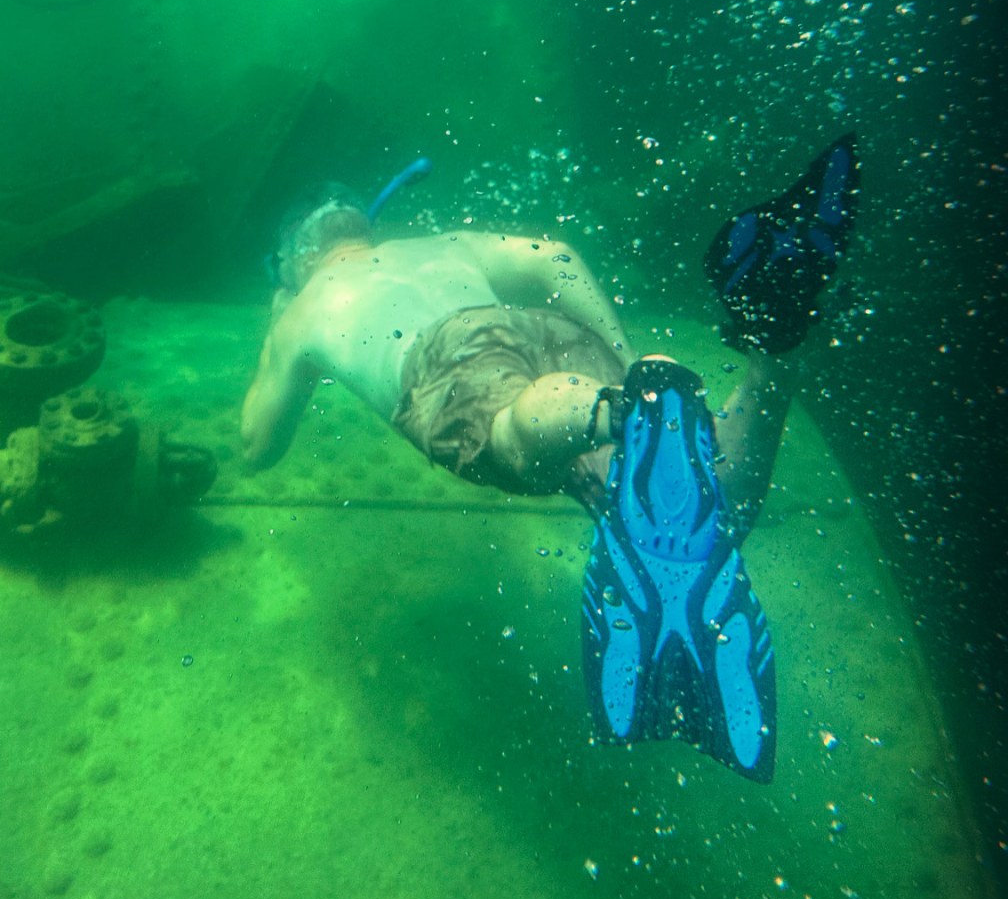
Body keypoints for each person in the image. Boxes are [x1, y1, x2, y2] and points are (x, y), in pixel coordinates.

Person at [242, 138, 858, 782]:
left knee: (507, 435)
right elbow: (554, 258)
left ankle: (608, 410)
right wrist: (622, 362)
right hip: (541, 326)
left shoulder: (305, 305)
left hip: (450, 361)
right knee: (717, 503)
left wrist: (280, 319)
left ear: (296, 260)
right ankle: (774, 350)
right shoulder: (438, 247)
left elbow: (257, 447)